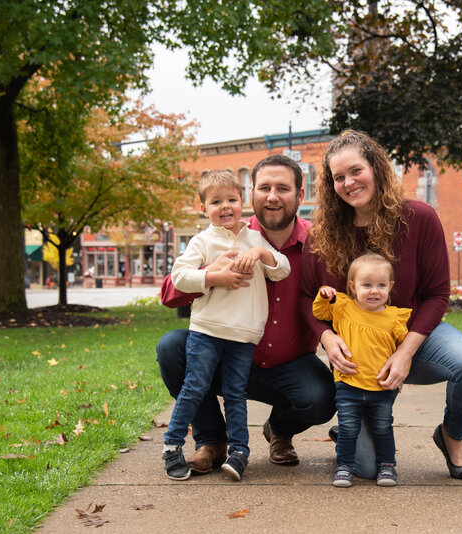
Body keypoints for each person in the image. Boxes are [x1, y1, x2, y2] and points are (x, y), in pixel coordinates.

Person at [300, 129, 462, 480]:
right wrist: (327, 340)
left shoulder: (418, 217)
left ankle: (451, 436)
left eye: (356, 170)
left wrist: (405, 353)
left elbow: (437, 294)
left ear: (376, 166)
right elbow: (305, 294)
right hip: (359, 358)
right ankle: (350, 426)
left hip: (411, 336)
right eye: (338, 177)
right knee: (369, 469)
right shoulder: (322, 232)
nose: (349, 182)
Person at [157, 154, 336, 476]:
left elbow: (339, 301)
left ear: (300, 194)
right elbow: (169, 294)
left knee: (321, 397)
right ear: (251, 193)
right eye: (264, 187)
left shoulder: (318, 243)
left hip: (287, 364)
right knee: (172, 348)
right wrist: (211, 274)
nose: (272, 196)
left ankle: (279, 430)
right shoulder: (218, 236)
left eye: (282, 188)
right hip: (221, 350)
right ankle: (212, 441)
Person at [162, 170, 291, 482]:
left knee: (236, 392)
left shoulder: (254, 239)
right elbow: (179, 277)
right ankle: (171, 446)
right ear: (203, 209)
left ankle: (239, 451)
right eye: (216, 201)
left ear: (242, 202)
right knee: (194, 386)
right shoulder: (202, 241)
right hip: (207, 330)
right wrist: (212, 276)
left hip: (243, 334)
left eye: (231, 199)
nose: (225, 206)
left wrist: (261, 253)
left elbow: (282, 270)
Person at [313, 252, 411, 488]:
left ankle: (387, 465)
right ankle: (344, 466)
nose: (374, 291)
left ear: (390, 287)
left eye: (381, 285)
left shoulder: (394, 317)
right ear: (352, 287)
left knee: (383, 426)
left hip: (381, 386)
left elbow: (403, 349)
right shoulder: (344, 307)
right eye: (366, 285)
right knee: (348, 427)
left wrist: (401, 375)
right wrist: (324, 295)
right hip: (348, 384)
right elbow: (319, 313)